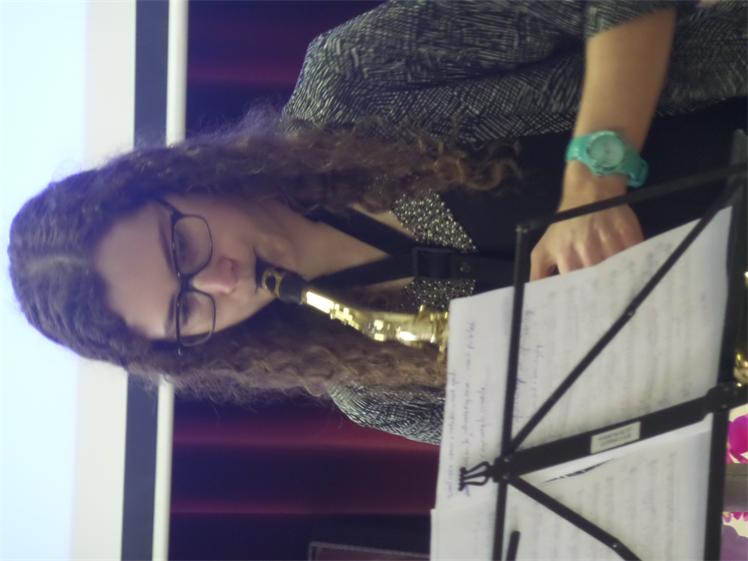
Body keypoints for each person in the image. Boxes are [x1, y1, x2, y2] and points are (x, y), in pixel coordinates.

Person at [8, 1, 747, 445]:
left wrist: (594, 179)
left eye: (182, 245)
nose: (223, 280)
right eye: (185, 310)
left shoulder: (354, 82)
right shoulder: (371, 387)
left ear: (175, 180)